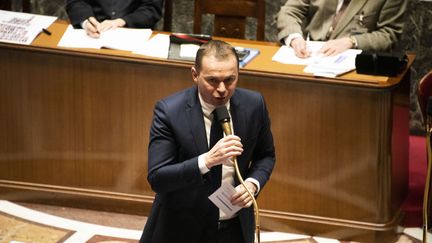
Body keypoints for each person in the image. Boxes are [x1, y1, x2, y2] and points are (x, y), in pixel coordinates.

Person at [139, 40, 276, 243]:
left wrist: (252, 184)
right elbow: (158, 178)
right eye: (212, 80)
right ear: (195, 75)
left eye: (230, 80)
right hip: (181, 229)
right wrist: (206, 161)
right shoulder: (169, 112)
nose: (222, 89)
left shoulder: (254, 104)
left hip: (234, 227)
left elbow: (265, 156)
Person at [276, 0, 408, 58]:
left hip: (355, 66)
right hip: (310, 56)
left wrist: (352, 41)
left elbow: (389, 35)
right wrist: (294, 37)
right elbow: (290, 11)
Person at [66, 0, 163, 38]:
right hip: (92, 34)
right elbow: (75, 1)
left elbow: (151, 9)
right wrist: (86, 21)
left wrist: (122, 21)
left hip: (133, 31)